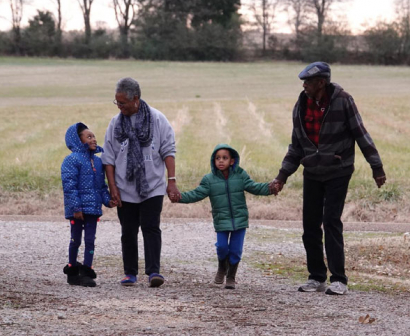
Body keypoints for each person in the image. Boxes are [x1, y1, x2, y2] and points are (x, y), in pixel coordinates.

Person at [271, 62, 386, 295]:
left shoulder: (343, 101)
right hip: (312, 171)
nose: (304, 85)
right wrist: (282, 176)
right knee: (309, 225)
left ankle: (339, 280)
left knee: (331, 221)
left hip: (338, 170)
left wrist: (377, 167)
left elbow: (361, 134)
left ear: (321, 83)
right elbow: (297, 146)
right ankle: (316, 277)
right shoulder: (301, 105)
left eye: (308, 82)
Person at [102, 77, 179, 288]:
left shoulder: (157, 119)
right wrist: (113, 188)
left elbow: (168, 151)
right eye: (116, 103)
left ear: (136, 99)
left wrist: (171, 181)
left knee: (151, 227)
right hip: (124, 187)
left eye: (123, 103)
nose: (119, 107)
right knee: (128, 231)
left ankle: (154, 271)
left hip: (152, 185)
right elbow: (108, 158)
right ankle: (130, 273)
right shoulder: (115, 123)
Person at [173, 144, 278, 289]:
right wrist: (179, 197)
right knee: (222, 247)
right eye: (217, 158)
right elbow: (196, 194)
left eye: (224, 158)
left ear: (232, 161)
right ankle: (222, 267)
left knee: (235, 250)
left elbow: (255, 187)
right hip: (221, 220)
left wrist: (270, 188)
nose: (221, 161)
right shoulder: (209, 180)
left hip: (240, 220)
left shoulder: (241, 175)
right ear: (213, 161)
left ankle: (231, 277)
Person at [61, 122, 113, 287]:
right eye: (89, 137)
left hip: (93, 209)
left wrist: (109, 200)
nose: (93, 139)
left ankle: (86, 270)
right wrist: (76, 207)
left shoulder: (97, 162)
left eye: (94, 136)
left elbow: (102, 187)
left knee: (90, 240)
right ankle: (72, 270)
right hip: (77, 210)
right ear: (78, 140)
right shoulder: (71, 160)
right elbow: (69, 186)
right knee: (75, 239)